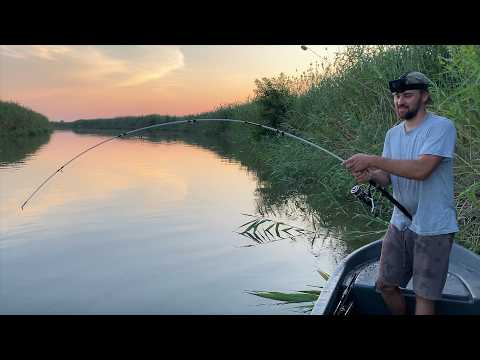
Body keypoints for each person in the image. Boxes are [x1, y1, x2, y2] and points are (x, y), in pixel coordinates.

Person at [343, 71, 458, 315]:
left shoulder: (441, 127)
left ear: (424, 96)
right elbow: (387, 177)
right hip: (400, 224)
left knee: (424, 296)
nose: (400, 101)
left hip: (433, 226)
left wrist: (373, 159)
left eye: (407, 95)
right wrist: (372, 176)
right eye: (397, 96)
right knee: (385, 285)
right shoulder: (392, 134)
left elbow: (421, 170)